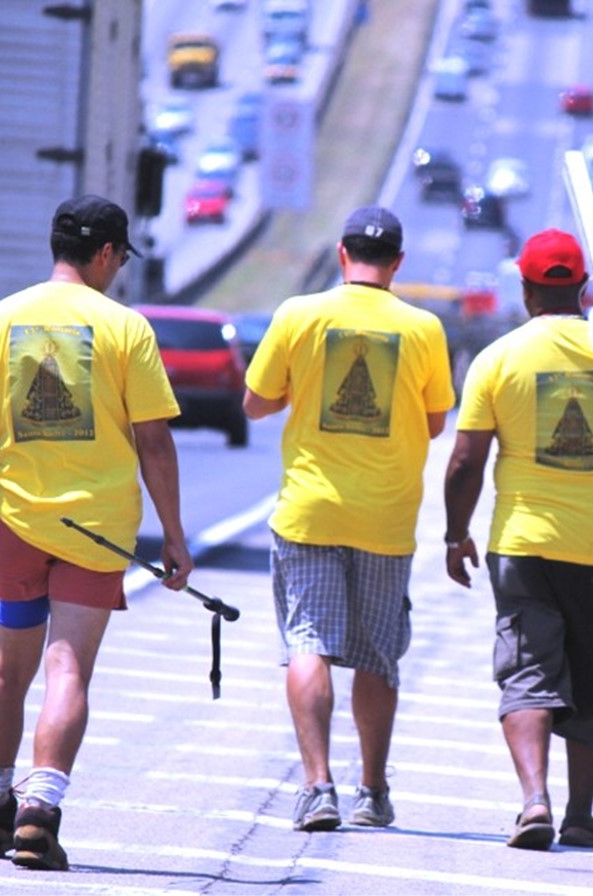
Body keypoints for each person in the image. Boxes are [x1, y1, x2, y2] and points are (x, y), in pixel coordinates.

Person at [0, 194, 195, 872]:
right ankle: (39, 813)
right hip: (97, 532)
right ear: (104, 253)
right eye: (119, 258)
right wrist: (174, 534)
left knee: (7, 669)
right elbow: (155, 441)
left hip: (16, 523)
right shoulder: (126, 328)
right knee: (67, 667)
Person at [443, 229, 593, 851]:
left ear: (525, 290)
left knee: (526, 674)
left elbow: (465, 462)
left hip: (524, 548)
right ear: (582, 288)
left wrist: (454, 534)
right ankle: (580, 815)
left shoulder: (499, 358)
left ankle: (534, 800)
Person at [243, 205, 455, 832]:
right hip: (386, 520)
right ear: (398, 263)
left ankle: (317, 787)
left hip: (309, 511)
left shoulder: (297, 314)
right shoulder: (423, 328)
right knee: (376, 658)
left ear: (341, 254)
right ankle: (373, 788)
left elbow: (255, 404)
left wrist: (301, 387)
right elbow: (436, 419)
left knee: (308, 640)